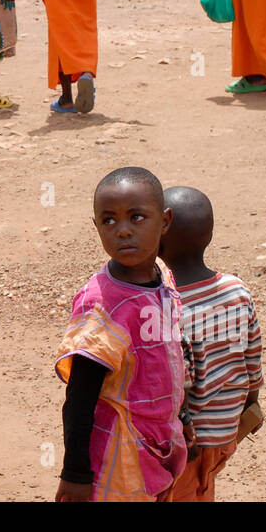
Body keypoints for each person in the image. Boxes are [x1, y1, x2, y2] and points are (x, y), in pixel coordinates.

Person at [55, 167, 189, 502]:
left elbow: (171, 358)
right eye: (109, 221)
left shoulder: (164, 279)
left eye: (137, 217)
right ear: (96, 226)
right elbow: (80, 396)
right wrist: (75, 473)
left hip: (159, 447)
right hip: (116, 456)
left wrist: (183, 423)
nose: (123, 231)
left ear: (165, 221)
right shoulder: (102, 304)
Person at [159, 186, 263, 502]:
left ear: (158, 236)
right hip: (227, 430)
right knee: (202, 487)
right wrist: (251, 401)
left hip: (184, 442)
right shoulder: (236, 289)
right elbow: (252, 359)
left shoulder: (164, 305)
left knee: (181, 492)